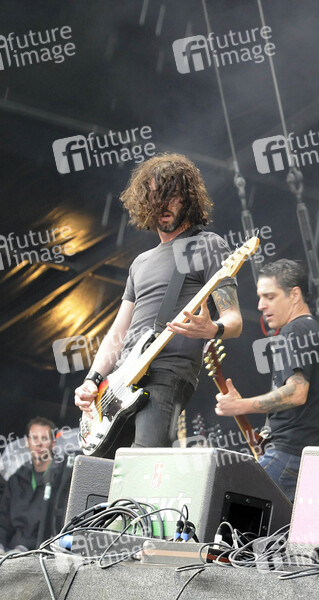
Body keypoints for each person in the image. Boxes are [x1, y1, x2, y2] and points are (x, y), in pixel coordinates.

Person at [73, 154, 242, 449]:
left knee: (144, 463)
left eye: (171, 196)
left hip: (167, 374)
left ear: (188, 198)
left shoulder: (207, 245)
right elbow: (118, 332)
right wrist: (92, 379)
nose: (163, 204)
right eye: (155, 196)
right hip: (118, 384)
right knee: (99, 470)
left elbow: (234, 320)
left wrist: (212, 329)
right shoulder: (140, 262)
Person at [214, 259, 319, 499]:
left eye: (270, 297)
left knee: (233, 510)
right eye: (260, 297)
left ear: (294, 295)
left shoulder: (295, 330)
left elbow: (297, 392)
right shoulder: (314, 331)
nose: (260, 305)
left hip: (290, 455)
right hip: (312, 460)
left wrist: (241, 405)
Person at [0, 418, 71, 553]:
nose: (39, 443)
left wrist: (24, 548)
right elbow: (3, 522)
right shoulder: (16, 479)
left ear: (53, 443)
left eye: (44, 438)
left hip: (45, 552)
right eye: (34, 438)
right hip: (12, 551)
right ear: (27, 442)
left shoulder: (64, 478)